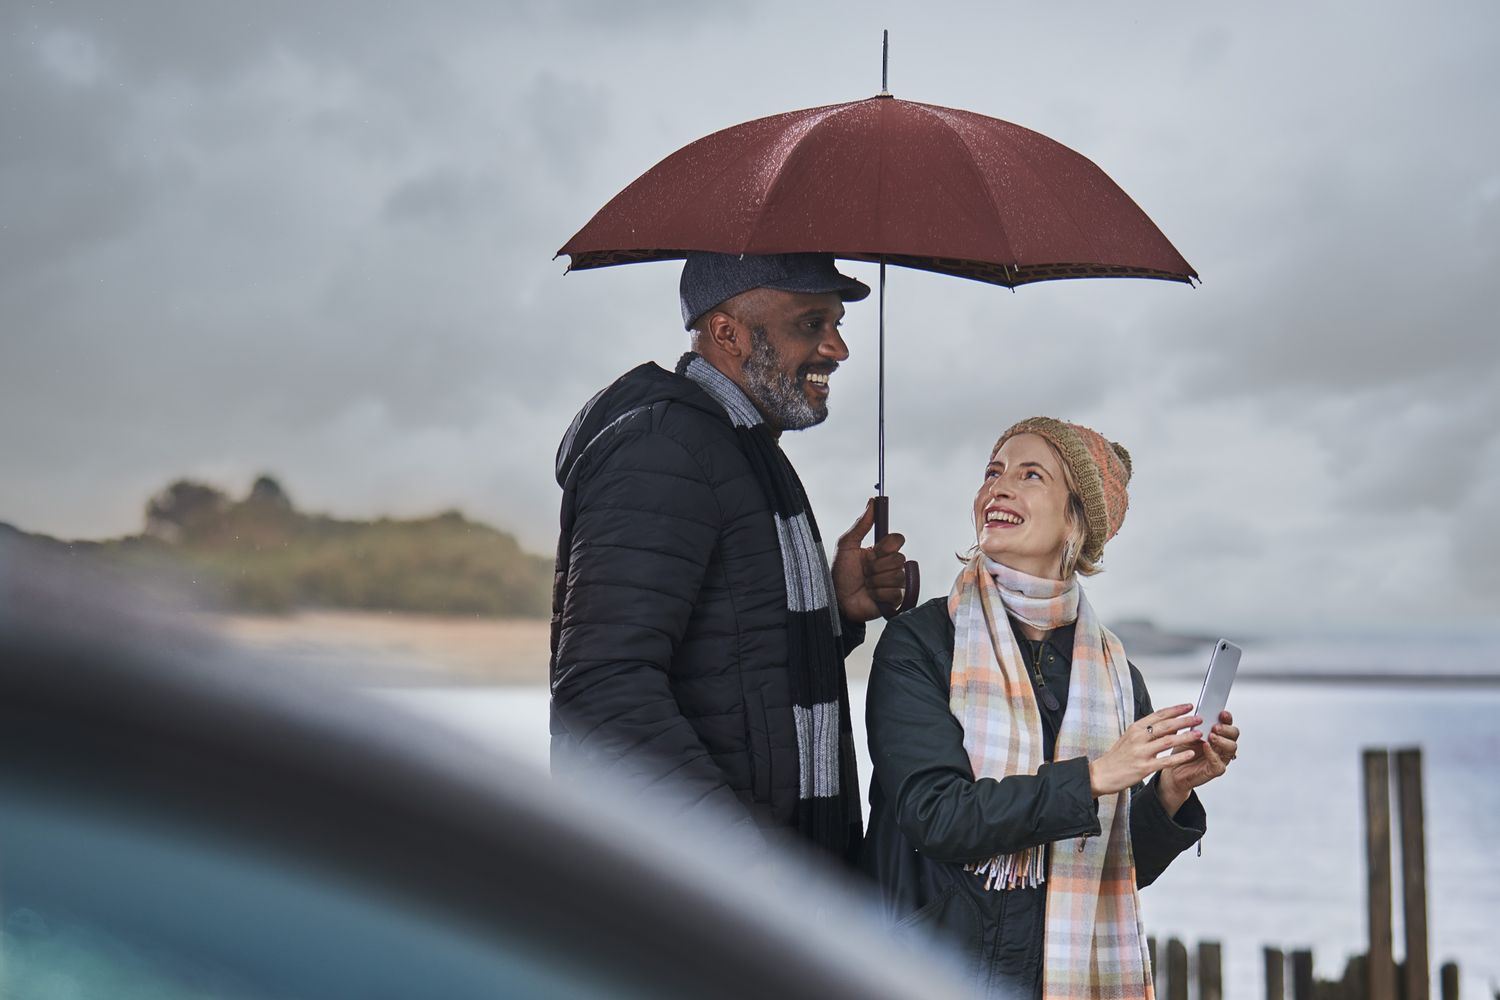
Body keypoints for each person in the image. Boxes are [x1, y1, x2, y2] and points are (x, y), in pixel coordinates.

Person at [550, 252, 909, 865]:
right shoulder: (663, 448)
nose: (838, 349)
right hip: (701, 905)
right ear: (727, 333)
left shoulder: (735, 446)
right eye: (811, 324)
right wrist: (742, 873)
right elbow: (604, 690)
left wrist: (836, 612)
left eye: (839, 323)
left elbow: (736, 662)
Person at [862, 417, 1241, 998]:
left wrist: (1170, 792)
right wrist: (1093, 778)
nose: (999, 486)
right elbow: (934, 813)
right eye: (993, 471)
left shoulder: (1115, 677)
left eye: (1030, 474)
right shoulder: (921, 642)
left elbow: (1112, 868)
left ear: (1075, 522)